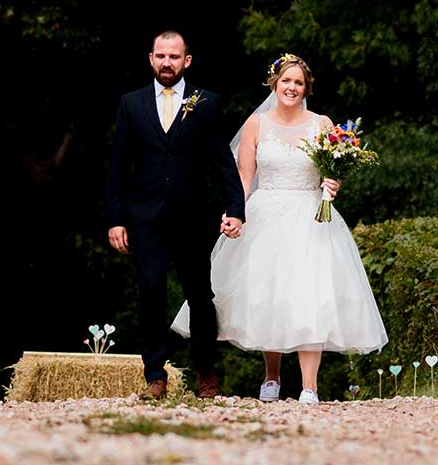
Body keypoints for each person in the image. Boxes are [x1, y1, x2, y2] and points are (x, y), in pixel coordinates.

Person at [172, 54, 387, 403]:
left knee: (310, 295)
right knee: (271, 294)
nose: (292, 87)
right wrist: (234, 213)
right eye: (286, 81)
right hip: (266, 215)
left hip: (311, 218)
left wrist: (333, 184)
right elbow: (243, 178)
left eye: (298, 83)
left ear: (306, 88)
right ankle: (271, 377)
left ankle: (309, 387)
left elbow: (330, 172)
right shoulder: (257, 124)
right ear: (275, 84)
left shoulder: (322, 124)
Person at [106, 31, 247, 399]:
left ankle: (205, 374)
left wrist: (236, 208)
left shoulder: (206, 103)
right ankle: (155, 375)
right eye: (160, 56)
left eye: (174, 56)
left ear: (187, 61)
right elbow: (118, 167)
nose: (167, 62)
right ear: (150, 58)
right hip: (145, 219)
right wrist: (116, 218)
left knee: (200, 296)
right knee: (150, 292)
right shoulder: (131, 104)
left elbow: (222, 161)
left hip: (193, 218)